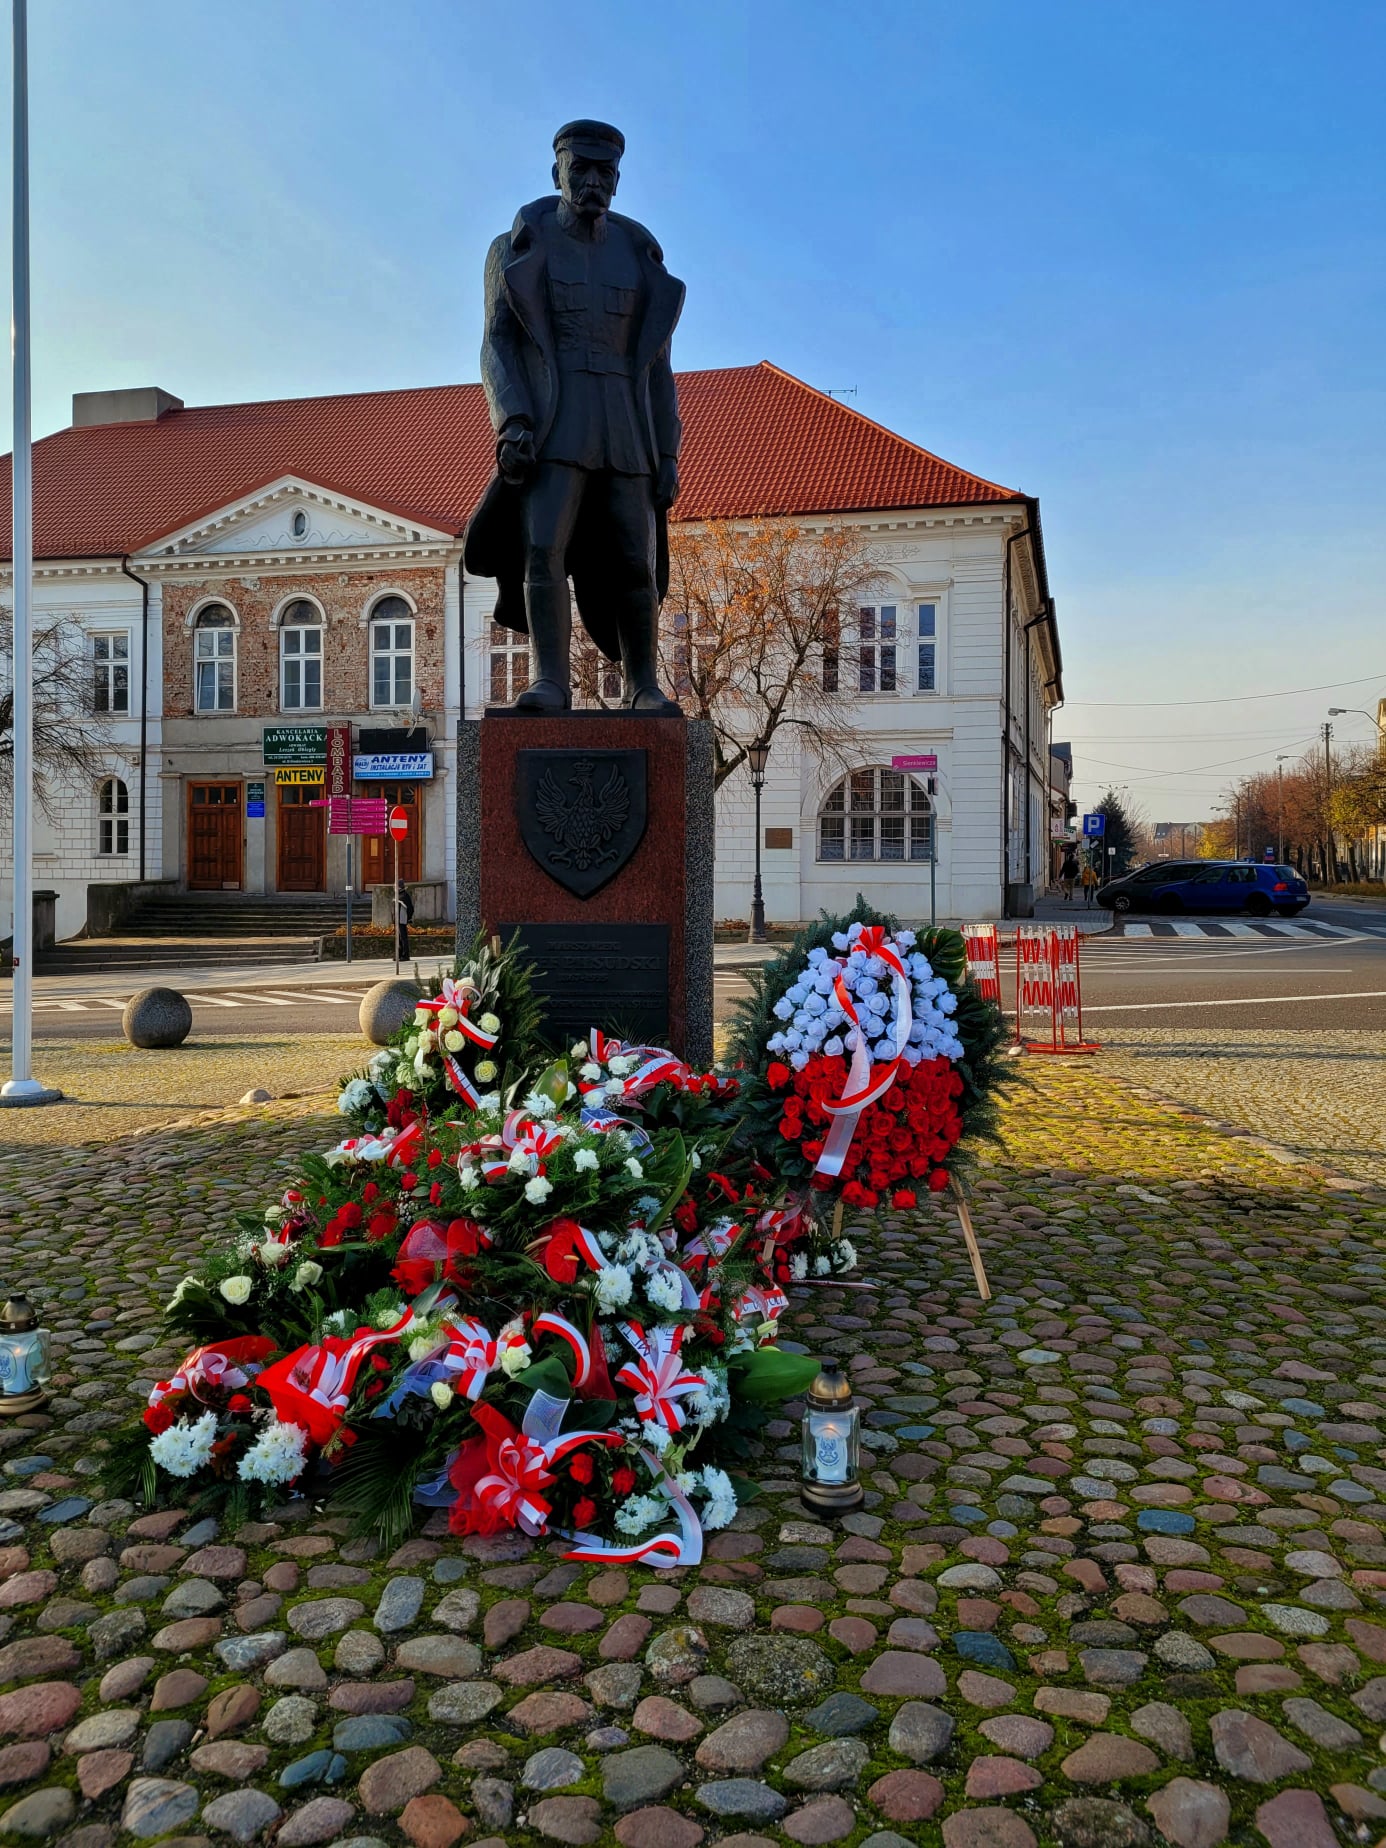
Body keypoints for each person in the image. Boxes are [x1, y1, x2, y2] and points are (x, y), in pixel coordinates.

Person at [465, 120, 685, 714]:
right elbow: (497, 345)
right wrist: (512, 420)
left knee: (636, 560)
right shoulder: (519, 245)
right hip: (555, 419)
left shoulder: (639, 255)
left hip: (625, 423)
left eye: (605, 171)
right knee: (543, 549)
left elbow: (658, 368)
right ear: (556, 171)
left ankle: (643, 685)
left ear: (618, 178)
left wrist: (667, 452)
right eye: (580, 168)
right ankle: (550, 682)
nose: (593, 181)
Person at [395, 884, 414, 961]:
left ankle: (405, 955)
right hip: (398, 919)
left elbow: (410, 908)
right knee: (399, 938)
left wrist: (408, 917)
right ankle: (399, 954)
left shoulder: (404, 895)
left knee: (403, 937)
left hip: (402, 919)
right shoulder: (399, 895)